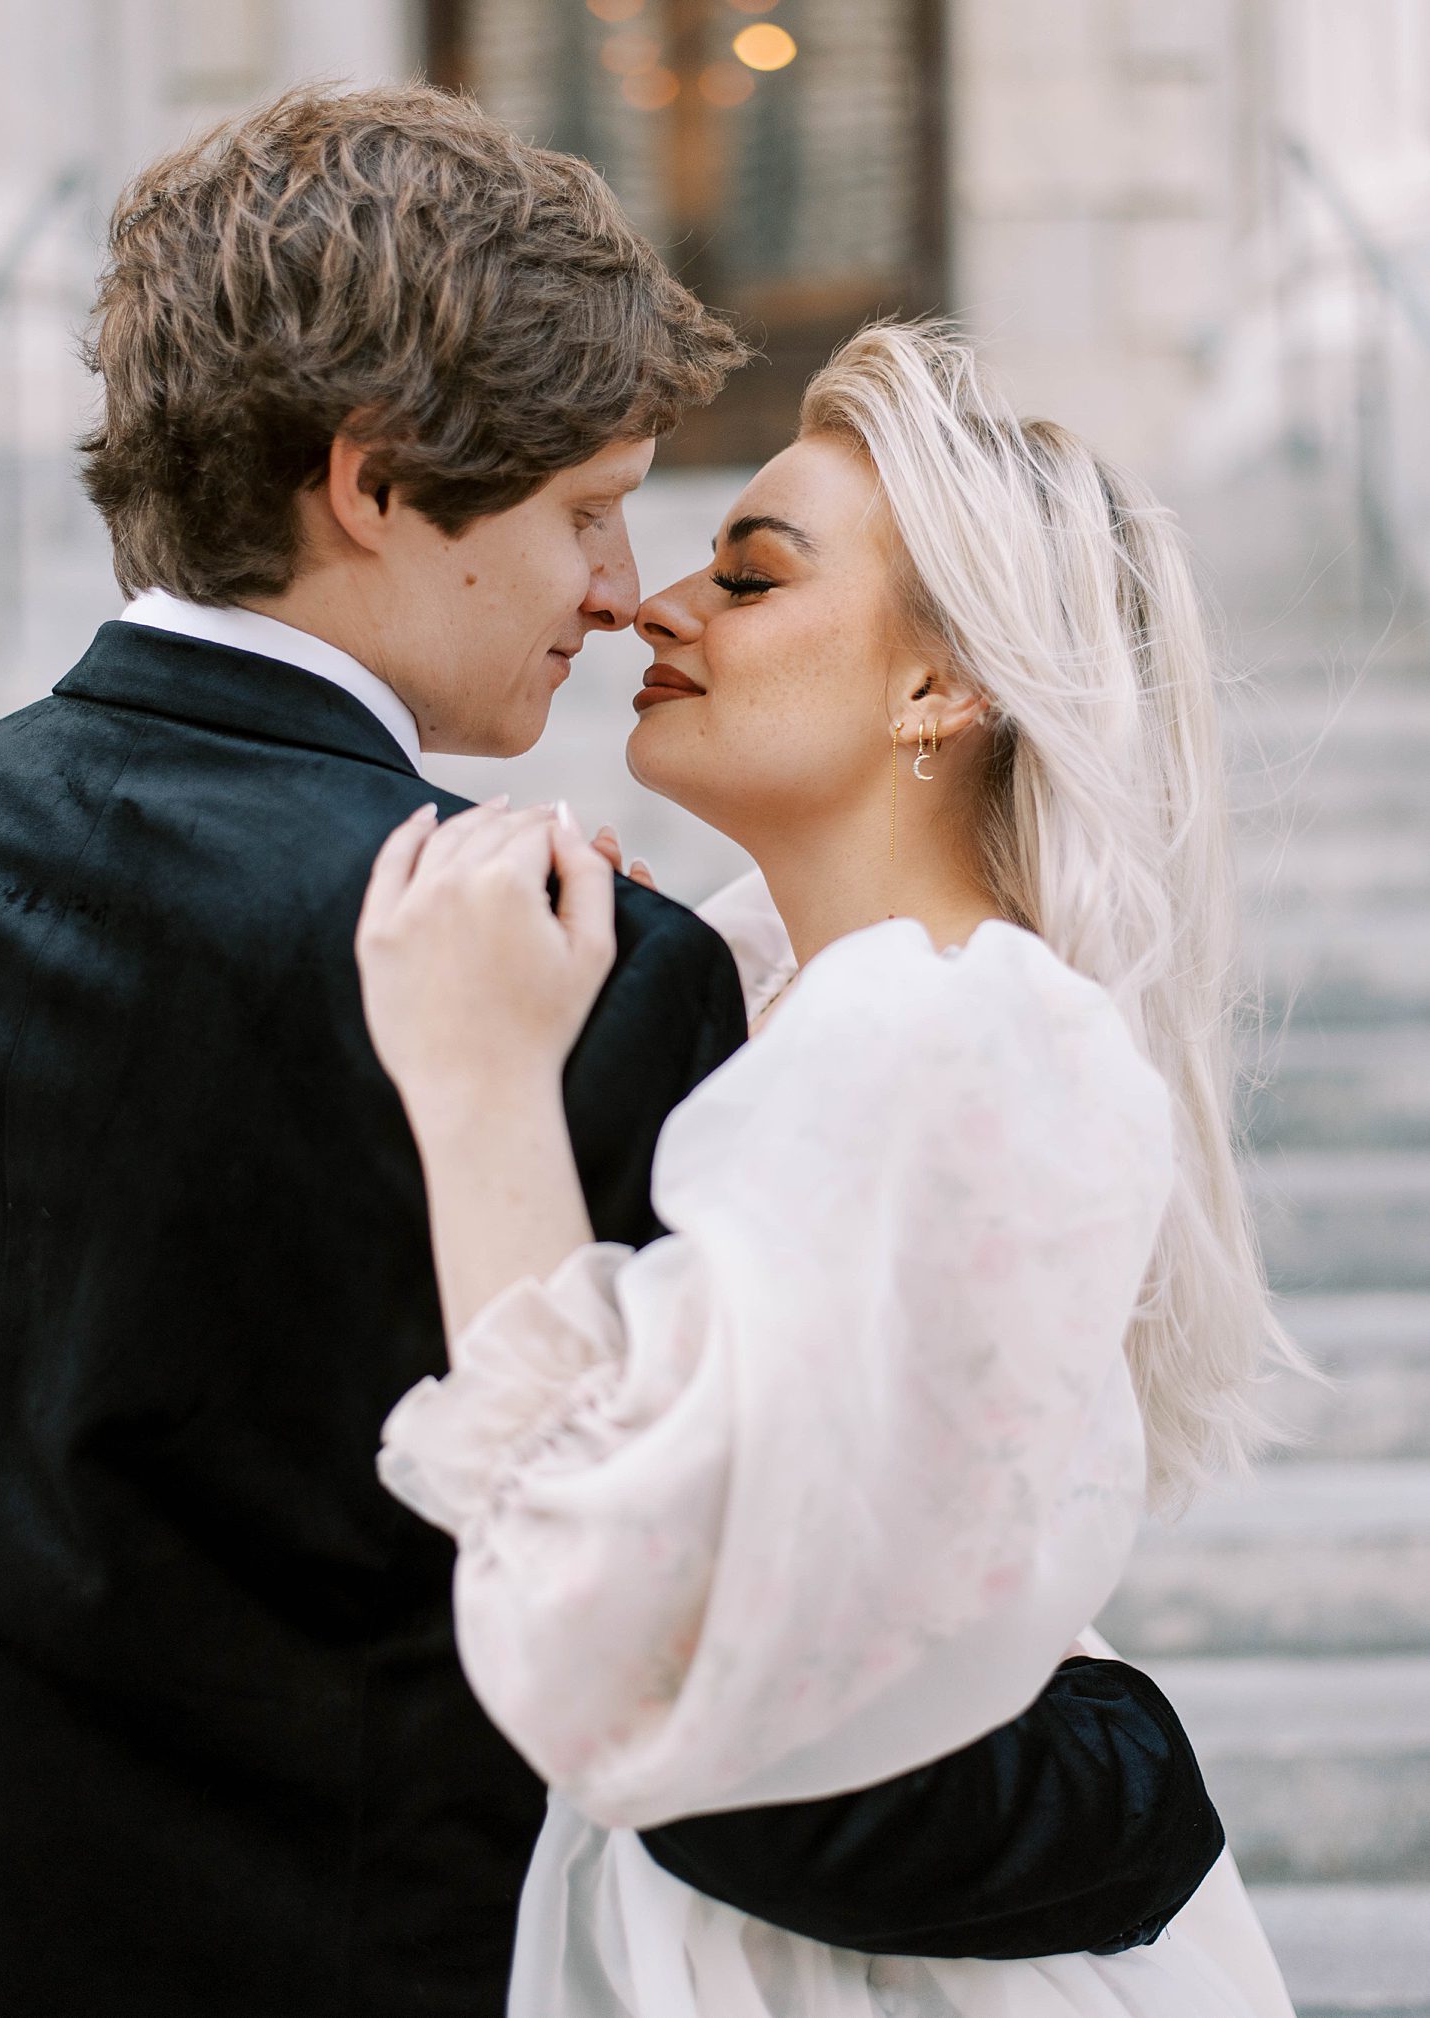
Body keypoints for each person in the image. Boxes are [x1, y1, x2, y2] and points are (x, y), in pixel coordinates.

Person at [0, 86, 1222, 2018]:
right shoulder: (577, 977)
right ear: (372, 484)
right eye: (591, 508)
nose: (627, 588)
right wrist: (1144, 1787)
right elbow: (716, 1740)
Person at [356, 320, 1301, 2018]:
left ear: (943, 686)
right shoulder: (787, 1002)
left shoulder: (961, 1037)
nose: (655, 606)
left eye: (751, 574)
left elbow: (607, 1639)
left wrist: (482, 1083)